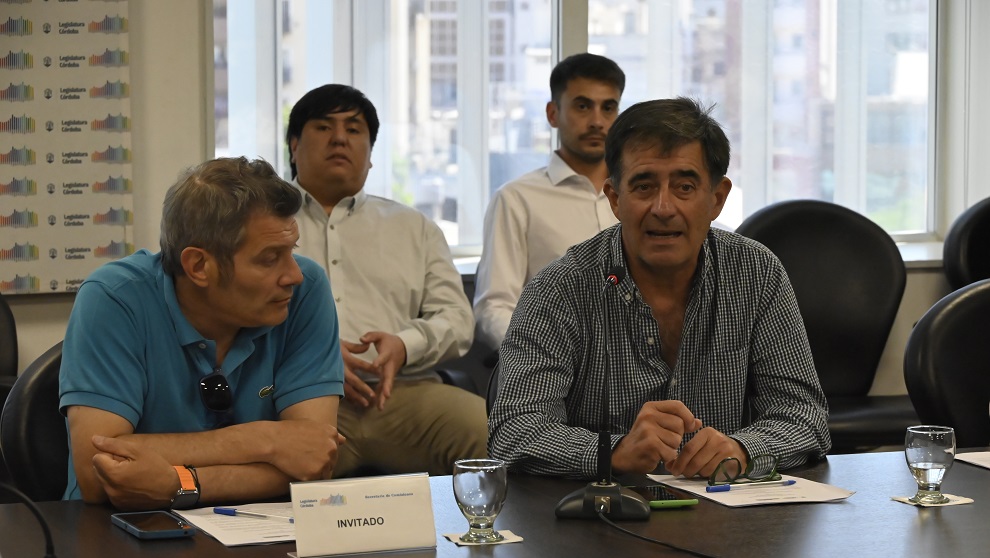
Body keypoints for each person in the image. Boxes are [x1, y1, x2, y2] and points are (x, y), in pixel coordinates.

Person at [489, 98, 830, 479]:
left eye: (684, 187)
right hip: (600, 509)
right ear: (615, 199)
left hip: (722, 508)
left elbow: (804, 415)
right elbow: (514, 432)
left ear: (716, 199)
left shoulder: (756, 274)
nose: (663, 208)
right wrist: (613, 451)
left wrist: (743, 450)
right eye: (644, 186)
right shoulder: (560, 289)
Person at [60, 157, 345, 511]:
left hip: (263, 527)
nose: (293, 275)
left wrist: (180, 484)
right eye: (270, 258)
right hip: (119, 528)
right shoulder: (114, 298)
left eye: (292, 251)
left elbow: (315, 462)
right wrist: (264, 439)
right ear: (198, 266)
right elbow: (98, 472)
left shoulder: (305, 292)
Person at [287, 84, 488, 476]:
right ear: (294, 146)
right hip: (301, 397)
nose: (340, 138)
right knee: (278, 467)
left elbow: (457, 320)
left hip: (404, 395)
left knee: (493, 436)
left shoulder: (414, 227)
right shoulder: (263, 225)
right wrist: (314, 358)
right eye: (324, 127)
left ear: (371, 155)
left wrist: (404, 345)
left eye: (354, 129)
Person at [474, 53, 625, 351]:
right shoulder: (517, 199)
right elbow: (494, 308)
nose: (597, 121)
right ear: (553, 114)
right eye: (583, 106)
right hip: (552, 360)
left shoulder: (639, 196)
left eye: (608, 108)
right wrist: (544, 355)